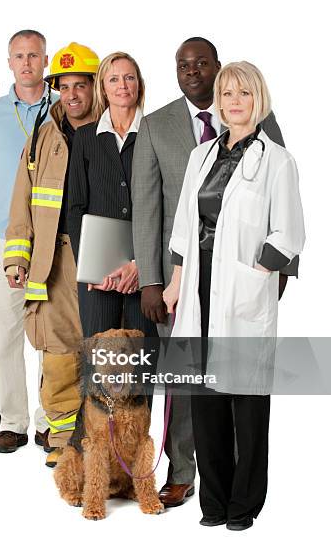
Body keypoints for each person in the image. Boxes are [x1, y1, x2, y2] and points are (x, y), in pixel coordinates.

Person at [131, 36, 292, 508]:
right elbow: (156, 212)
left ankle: (243, 498)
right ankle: (188, 476)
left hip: (243, 286)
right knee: (190, 388)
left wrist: (267, 275)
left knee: (241, 394)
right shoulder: (160, 125)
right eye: (184, 64)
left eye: (203, 64)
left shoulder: (270, 139)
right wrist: (157, 282)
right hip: (190, 284)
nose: (193, 71)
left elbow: (286, 223)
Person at [162, 61, 305, 530]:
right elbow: (185, 227)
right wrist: (177, 284)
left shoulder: (276, 160)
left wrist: (257, 269)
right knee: (205, 403)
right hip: (200, 294)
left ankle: (244, 506)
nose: (233, 101)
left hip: (242, 295)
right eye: (226, 94)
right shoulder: (200, 156)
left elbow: (289, 233)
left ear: (257, 99)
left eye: (243, 93)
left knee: (246, 405)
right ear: (218, 103)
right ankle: (214, 503)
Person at [3, 42, 99, 467]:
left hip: (103, 256)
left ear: (95, 86)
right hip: (54, 258)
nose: (73, 94)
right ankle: (62, 435)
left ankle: (101, 436)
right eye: (65, 86)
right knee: (58, 349)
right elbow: (21, 200)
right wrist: (16, 257)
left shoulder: (117, 129)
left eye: (82, 85)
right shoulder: (44, 137)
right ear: (55, 87)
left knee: (104, 348)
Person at [0, 29, 58, 453]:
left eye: (33, 55)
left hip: (54, 240)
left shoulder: (64, 107)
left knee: (52, 335)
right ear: (9, 63)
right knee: (4, 335)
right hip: (2, 237)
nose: (26, 63)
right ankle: (13, 422)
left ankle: (50, 419)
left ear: (45, 59)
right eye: (18, 56)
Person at [67, 52, 156, 341]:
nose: (123, 85)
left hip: (145, 272)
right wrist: (93, 267)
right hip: (98, 276)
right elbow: (76, 207)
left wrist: (141, 264)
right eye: (114, 79)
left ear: (139, 85)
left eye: (129, 77)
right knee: (99, 365)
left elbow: (168, 206)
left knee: (141, 365)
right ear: (102, 87)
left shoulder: (156, 133)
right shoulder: (85, 137)